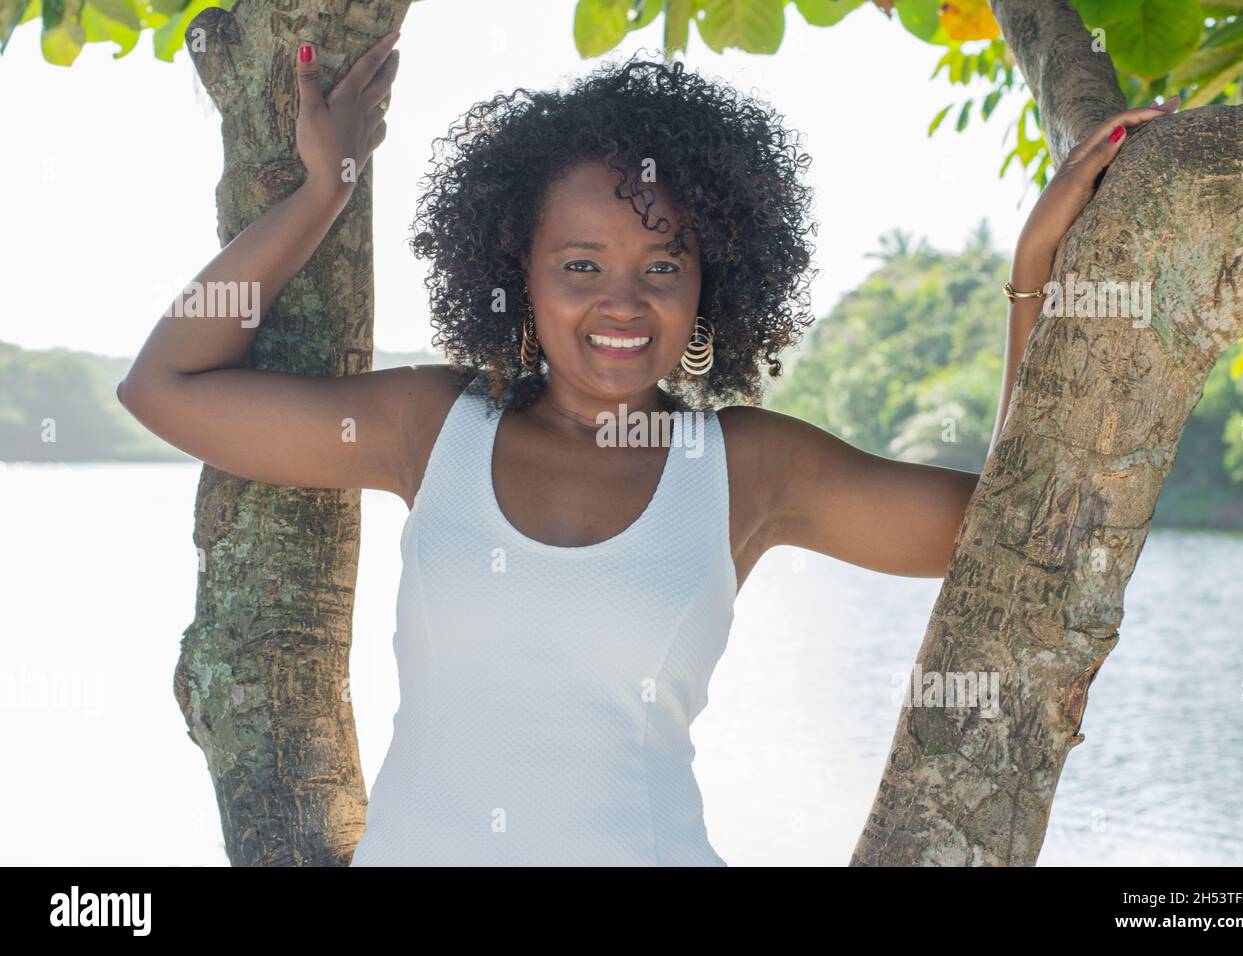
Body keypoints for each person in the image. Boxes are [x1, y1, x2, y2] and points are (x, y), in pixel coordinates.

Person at [116, 30, 1179, 866]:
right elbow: (165, 385)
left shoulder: (747, 469)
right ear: (518, 273)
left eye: (662, 266)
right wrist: (324, 193)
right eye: (580, 265)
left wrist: (1032, 273)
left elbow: (1010, 525)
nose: (621, 304)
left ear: (711, 277)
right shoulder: (429, 428)